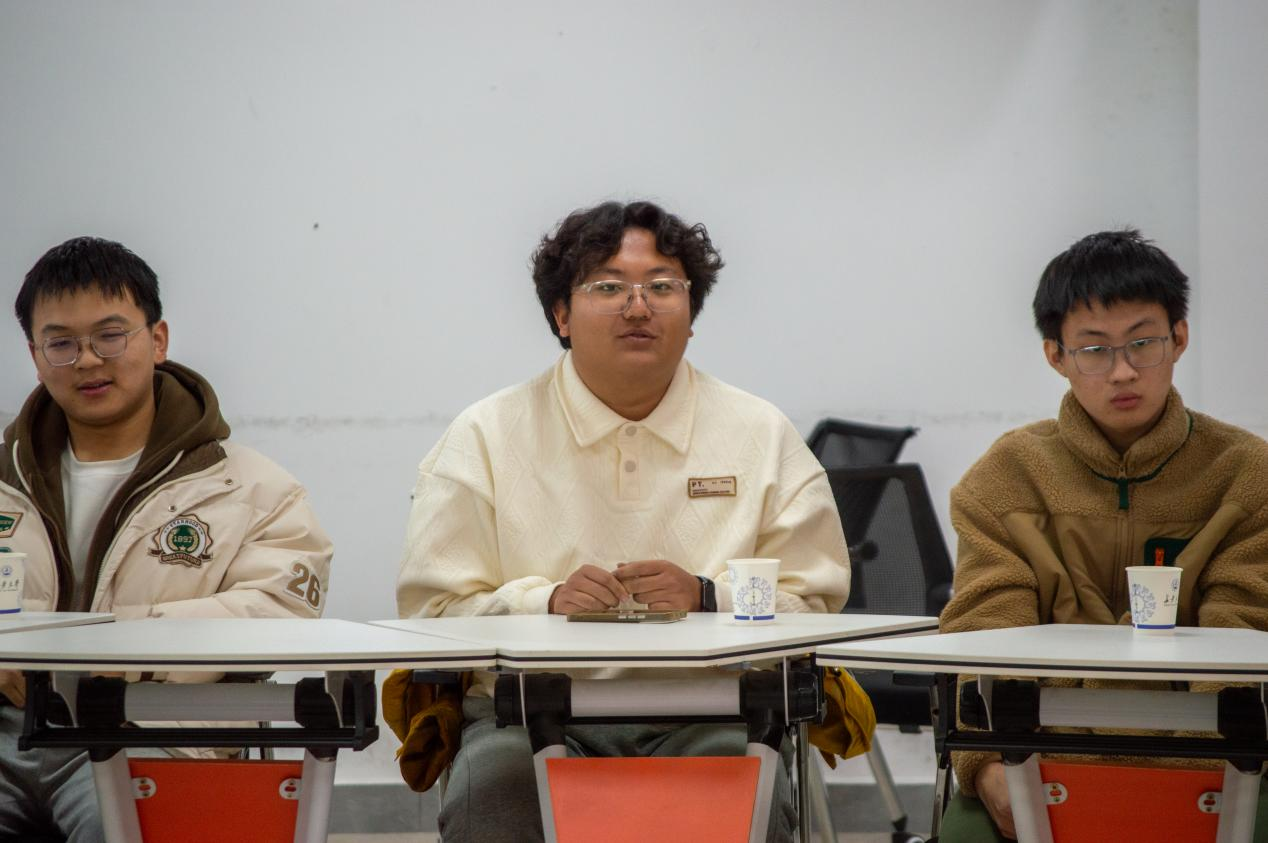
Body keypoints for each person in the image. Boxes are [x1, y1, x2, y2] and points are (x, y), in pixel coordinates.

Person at [397, 200, 851, 842]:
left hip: (715, 716)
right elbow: (432, 614)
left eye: (662, 287)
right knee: (493, 796)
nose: (638, 308)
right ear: (561, 315)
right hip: (523, 716)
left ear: (691, 314)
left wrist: (709, 597)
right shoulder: (484, 435)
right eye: (608, 287)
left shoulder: (761, 432)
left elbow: (817, 604)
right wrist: (543, 603)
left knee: (747, 793)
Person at [938, 229, 1268, 841]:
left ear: (1180, 338)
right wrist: (987, 766)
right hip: (1038, 757)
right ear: (1055, 356)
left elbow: (1241, 643)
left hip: (1217, 762)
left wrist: (1187, 783)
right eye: (1093, 349)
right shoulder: (1005, 478)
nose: (1122, 371)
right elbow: (984, 636)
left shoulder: (1248, 475)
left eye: (1143, 343)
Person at [0, 236, 333, 841]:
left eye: (110, 335)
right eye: (62, 343)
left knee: (117, 828)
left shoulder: (252, 489)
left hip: (151, 732)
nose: (87, 360)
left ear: (158, 339)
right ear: (35, 355)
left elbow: (277, 612)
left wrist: (114, 650)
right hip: (6, 729)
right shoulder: (4, 477)